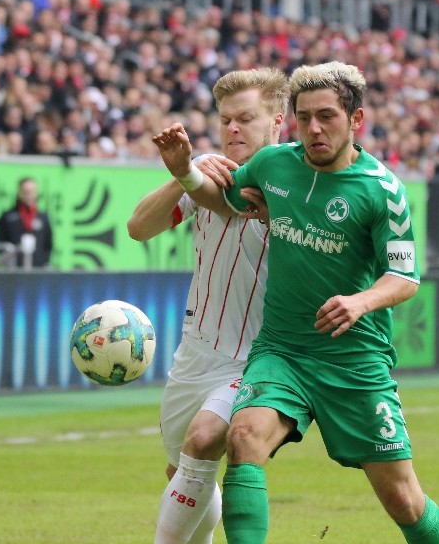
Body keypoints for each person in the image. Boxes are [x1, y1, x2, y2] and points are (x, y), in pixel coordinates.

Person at [153, 61, 439, 543]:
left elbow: (404, 276)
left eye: (327, 116)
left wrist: (361, 302)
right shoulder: (274, 164)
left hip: (352, 359)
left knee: (403, 500)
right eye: (304, 116)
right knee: (243, 437)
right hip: (282, 352)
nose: (314, 128)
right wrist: (185, 174)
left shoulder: (383, 191)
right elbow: (223, 200)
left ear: (356, 120)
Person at [128, 67, 289, 544]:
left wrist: (189, 174)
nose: (233, 129)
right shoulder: (212, 173)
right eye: (225, 120)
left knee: (203, 442)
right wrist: (183, 179)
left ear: (277, 121)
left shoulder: (294, 184)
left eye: (246, 118)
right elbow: (139, 227)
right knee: (182, 470)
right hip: (195, 354)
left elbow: (229, 203)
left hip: (255, 357)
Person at [0, 177, 53, 268]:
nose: (28, 195)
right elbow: (0, 242)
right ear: (19, 193)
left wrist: (43, 261)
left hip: (37, 268)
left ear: (36, 193)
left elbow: (48, 244)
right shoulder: (8, 217)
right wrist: (9, 262)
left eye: (31, 191)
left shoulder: (43, 217)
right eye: (25, 192)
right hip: (14, 268)